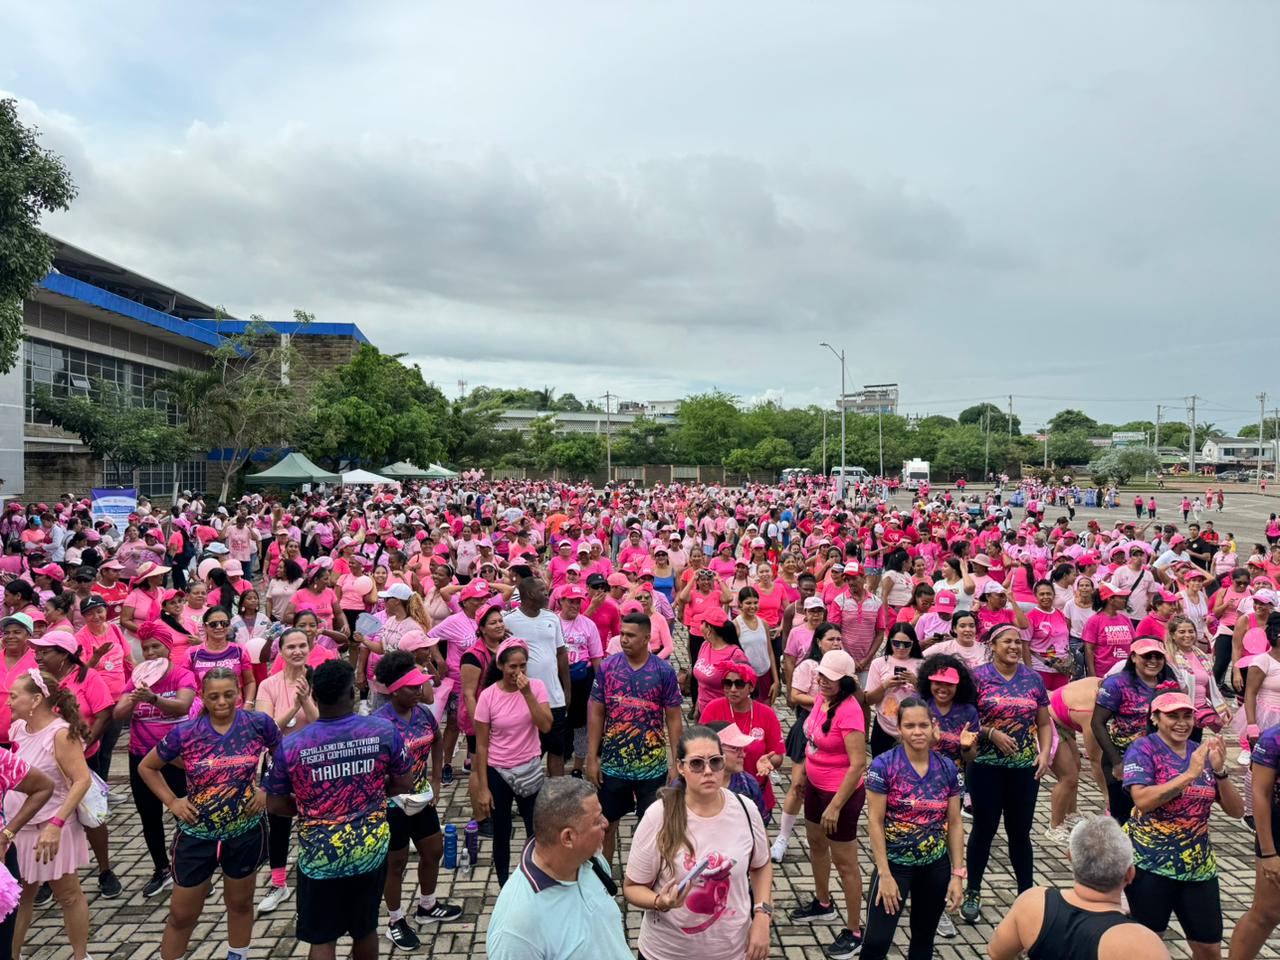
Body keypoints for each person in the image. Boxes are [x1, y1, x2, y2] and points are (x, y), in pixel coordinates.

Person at [265, 660, 413, 960]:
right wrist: (371, 792)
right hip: (369, 851)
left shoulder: (292, 746)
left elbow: (275, 803)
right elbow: (404, 782)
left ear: (314, 696)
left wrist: (309, 805)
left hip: (319, 857)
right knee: (365, 929)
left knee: (322, 938)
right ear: (352, 692)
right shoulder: (383, 731)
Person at [139, 668, 281, 960]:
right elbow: (147, 766)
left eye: (229, 695)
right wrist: (173, 802)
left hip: (245, 832)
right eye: (214, 696)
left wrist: (266, 789)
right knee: (181, 914)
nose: (222, 702)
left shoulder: (258, 724)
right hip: (196, 835)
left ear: (239, 694)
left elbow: (283, 756)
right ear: (202, 697)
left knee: (240, 904)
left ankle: (237, 955)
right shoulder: (186, 732)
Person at [623, 725, 773, 960]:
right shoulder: (659, 815)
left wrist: (762, 916)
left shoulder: (746, 809)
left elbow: (761, 865)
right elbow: (631, 887)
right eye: (696, 764)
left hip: (733, 951)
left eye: (715, 762)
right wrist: (659, 901)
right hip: (667, 953)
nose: (708, 771)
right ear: (681, 767)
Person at [1123, 692, 1242, 958]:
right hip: (1150, 863)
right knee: (1148, 945)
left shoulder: (1200, 752)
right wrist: (1189, 775)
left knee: (1210, 949)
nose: (1181, 723)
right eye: (1172, 716)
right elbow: (1142, 800)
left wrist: (1221, 772)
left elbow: (1237, 812)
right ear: (1155, 718)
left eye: (1187, 716)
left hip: (1198, 866)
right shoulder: (1143, 749)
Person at [961, 624, 1052, 924]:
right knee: (984, 831)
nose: (1014, 646)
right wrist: (990, 733)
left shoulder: (1033, 678)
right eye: (1007, 641)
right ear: (992, 644)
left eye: (1018, 641)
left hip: (1024, 769)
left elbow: (1045, 722)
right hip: (985, 766)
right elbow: (965, 721)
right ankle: (973, 890)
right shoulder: (977, 677)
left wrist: (1044, 753)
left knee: (1020, 833)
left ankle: (1025, 893)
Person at [372, 651, 463, 950]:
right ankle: (395, 921)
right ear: (396, 689)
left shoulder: (422, 713)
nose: (420, 691)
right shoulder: (379, 724)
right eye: (413, 687)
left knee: (433, 850)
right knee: (395, 863)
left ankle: (427, 906)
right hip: (392, 805)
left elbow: (436, 740)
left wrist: (436, 779)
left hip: (422, 798)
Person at [862, 697, 965, 960]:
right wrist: (884, 874)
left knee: (923, 940)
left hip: (935, 866)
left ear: (933, 726)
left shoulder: (947, 768)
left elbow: (954, 823)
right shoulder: (883, 766)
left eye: (923, 725)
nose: (917, 732)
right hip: (895, 866)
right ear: (899, 728)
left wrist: (957, 874)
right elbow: (874, 821)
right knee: (876, 942)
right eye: (909, 726)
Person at [486, 777, 632, 960]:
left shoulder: (591, 861)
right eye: (596, 821)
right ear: (568, 838)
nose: (606, 823)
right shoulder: (516, 929)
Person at [987, 815, 1170, 960]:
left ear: (1070, 857)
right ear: (1130, 874)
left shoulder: (1033, 903)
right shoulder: (1140, 943)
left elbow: (997, 952)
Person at [6, 668, 93, 960]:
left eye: (14, 696)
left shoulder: (60, 734)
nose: (8, 701)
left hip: (52, 828)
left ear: (35, 700)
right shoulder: (17, 729)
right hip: (19, 829)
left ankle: (81, 955)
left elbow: (82, 780)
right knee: (17, 899)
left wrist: (55, 825)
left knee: (67, 893)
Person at [586, 611, 683, 867]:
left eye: (630, 635)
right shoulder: (609, 667)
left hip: (652, 766)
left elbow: (673, 718)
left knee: (652, 829)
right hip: (613, 764)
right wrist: (591, 756)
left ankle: (646, 877)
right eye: (622, 634)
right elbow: (596, 711)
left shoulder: (663, 672)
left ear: (647, 639)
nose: (624, 639)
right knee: (606, 826)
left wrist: (677, 763)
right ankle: (604, 878)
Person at [790, 649, 869, 959]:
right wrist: (802, 775)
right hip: (815, 787)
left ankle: (854, 931)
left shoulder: (850, 711)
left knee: (846, 862)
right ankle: (823, 903)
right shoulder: (823, 698)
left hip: (841, 796)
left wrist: (835, 806)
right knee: (816, 843)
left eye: (830, 678)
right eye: (821, 675)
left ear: (846, 682)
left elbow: (857, 764)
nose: (822, 681)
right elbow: (812, 738)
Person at [113, 621, 197, 897]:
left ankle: (187, 870)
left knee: (185, 814)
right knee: (149, 815)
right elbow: (118, 714)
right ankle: (161, 869)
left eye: (155, 647)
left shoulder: (182, 675)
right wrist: (134, 697)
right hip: (142, 758)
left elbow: (183, 705)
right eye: (146, 648)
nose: (150, 653)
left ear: (168, 648)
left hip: (177, 759)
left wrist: (154, 698)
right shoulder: (137, 676)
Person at [471, 637, 553, 885]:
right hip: (498, 771)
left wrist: (527, 693)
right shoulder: (488, 696)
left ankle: (535, 881)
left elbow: (546, 725)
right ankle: (504, 885)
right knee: (501, 832)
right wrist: (483, 789)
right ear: (501, 666)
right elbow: (482, 745)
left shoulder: (536, 687)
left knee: (535, 830)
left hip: (528, 768)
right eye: (512, 667)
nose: (518, 672)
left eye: (523, 666)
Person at [1091, 637, 1179, 825]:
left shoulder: (1169, 683)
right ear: (1133, 657)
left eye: (1158, 656)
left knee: (1154, 822)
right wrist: (1116, 762)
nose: (1153, 661)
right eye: (1147, 656)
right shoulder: (1116, 684)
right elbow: (1097, 724)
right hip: (1122, 759)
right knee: (1124, 822)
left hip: (1157, 762)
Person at [698, 660, 785, 819]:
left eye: (739, 684)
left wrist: (769, 763)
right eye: (727, 683)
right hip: (719, 793)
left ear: (751, 687)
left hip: (757, 793)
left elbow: (778, 754)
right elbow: (699, 746)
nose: (732, 689)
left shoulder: (766, 714)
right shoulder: (713, 709)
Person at [503, 578, 571, 777]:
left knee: (557, 749)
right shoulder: (508, 620)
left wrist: (567, 689)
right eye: (543, 590)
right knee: (527, 753)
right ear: (530, 594)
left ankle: (556, 795)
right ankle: (528, 794)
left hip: (554, 698)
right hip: (524, 699)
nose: (548, 594)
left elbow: (561, 653)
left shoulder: (552, 618)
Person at [1229, 721, 1280, 959]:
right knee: (1266, 913)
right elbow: (1260, 794)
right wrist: (1269, 853)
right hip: (1276, 833)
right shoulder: (1274, 739)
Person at [863, 623, 924, 757]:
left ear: (913, 643)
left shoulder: (921, 664)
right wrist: (885, 686)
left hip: (914, 727)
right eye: (896, 643)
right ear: (890, 642)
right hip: (884, 726)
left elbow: (930, 697)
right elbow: (869, 700)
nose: (901, 648)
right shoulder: (879, 663)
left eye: (906, 644)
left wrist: (915, 682)